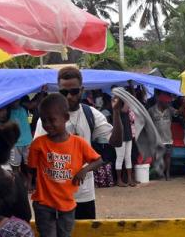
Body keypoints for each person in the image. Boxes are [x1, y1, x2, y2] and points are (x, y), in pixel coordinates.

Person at [28, 93, 103, 237]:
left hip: (67, 204)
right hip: (43, 202)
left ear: (65, 118)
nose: (48, 125)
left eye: (52, 120)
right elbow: (32, 170)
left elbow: (98, 159)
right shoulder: (39, 144)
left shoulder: (78, 143)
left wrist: (83, 171)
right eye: (44, 121)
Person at [33, 67, 122, 220]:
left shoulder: (91, 114)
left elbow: (116, 142)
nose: (68, 97)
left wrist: (117, 113)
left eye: (74, 92)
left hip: (84, 195)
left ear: (81, 90)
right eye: (63, 92)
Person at [149, 93, 176, 180]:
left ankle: (167, 174)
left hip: (168, 138)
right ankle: (159, 174)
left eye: (169, 103)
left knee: (168, 157)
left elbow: (178, 112)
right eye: (167, 103)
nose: (168, 104)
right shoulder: (151, 110)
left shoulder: (169, 109)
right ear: (160, 102)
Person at [112, 95, 138, 187]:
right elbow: (124, 109)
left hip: (127, 134)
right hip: (119, 136)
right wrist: (126, 97)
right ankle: (119, 180)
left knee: (128, 157)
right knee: (120, 157)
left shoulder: (125, 107)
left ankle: (129, 179)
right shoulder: (116, 106)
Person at [7, 98, 33, 175]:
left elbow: (33, 105)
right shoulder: (7, 112)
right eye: (13, 99)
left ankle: (29, 182)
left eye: (17, 99)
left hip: (27, 141)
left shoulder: (24, 108)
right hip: (15, 144)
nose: (15, 101)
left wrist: (42, 91)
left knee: (29, 165)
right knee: (15, 167)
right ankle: (17, 182)